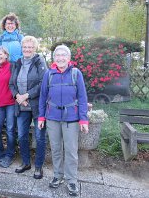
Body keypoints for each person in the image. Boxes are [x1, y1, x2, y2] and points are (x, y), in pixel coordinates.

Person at [38, 45, 89, 196]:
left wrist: (83, 120)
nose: (60, 58)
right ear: (54, 59)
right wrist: (41, 117)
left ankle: (71, 180)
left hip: (71, 118)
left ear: (69, 58)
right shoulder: (49, 74)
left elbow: (82, 97)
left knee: (71, 151)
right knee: (55, 149)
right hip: (52, 117)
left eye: (63, 55)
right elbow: (42, 97)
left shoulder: (75, 73)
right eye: (57, 55)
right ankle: (57, 176)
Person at [9, 36, 47, 179]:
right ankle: (26, 163)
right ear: (22, 48)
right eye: (25, 47)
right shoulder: (17, 63)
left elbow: (43, 83)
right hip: (21, 105)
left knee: (39, 137)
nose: (27, 49)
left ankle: (38, 166)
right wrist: (18, 96)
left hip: (37, 106)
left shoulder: (39, 61)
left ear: (34, 48)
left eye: (30, 47)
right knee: (22, 136)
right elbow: (11, 84)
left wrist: (27, 96)